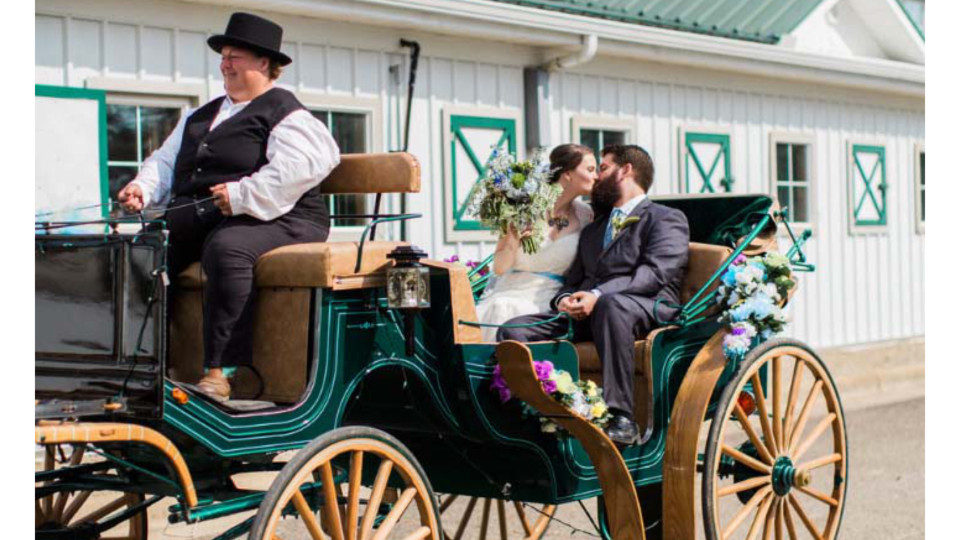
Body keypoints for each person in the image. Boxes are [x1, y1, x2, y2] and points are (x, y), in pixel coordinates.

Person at [117, 12, 340, 401]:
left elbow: (305, 166)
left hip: (286, 216)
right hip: (210, 212)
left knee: (227, 248)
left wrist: (242, 194)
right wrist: (142, 187)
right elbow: (166, 162)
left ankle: (221, 371)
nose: (225, 63)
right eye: (224, 55)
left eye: (235, 56)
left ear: (265, 64)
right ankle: (147, 362)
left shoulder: (286, 113)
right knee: (145, 248)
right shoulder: (199, 116)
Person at [498, 144, 690, 446]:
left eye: (603, 168)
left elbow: (654, 274)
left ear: (625, 170)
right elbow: (575, 279)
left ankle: (622, 417)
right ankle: (537, 413)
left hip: (645, 308)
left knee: (612, 305)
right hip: (591, 311)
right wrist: (563, 300)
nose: (597, 177)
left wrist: (598, 294)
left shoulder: (665, 218)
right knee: (513, 330)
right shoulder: (593, 229)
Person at [474, 144, 597, 342]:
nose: (596, 176)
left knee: (524, 314)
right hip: (512, 290)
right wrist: (512, 232)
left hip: (552, 297)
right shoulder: (524, 208)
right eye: (590, 170)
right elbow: (499, 268)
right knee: (504, 307)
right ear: (567, 174)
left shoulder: (587, 216)